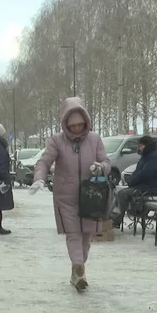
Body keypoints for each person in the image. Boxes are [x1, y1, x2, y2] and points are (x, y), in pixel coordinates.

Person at [30, 97, 111, 291]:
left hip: (91, 196)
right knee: (73, 234)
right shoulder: (57, 141)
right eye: (72, 125)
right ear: (65, 123)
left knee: (86, 236)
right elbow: (44, 161)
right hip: (65, 197)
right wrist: (39, 178)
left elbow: (107, 163)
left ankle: (77, 269)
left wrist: (100, 167)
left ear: (86, 122)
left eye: (80, 124)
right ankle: (80, 270)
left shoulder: (95, 139)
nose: (76, 128)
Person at [111, 136, 157, 229]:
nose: (139, 148)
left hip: (151, 188)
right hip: (143, 186)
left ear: (147, 146)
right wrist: (131, 180)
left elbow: (145, 174)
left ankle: (116, 221)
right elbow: (138, 172)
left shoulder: (154, 158)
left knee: (123, 194)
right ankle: (112, 216)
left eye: (140, 146)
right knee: (117, 191)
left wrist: (132, 181)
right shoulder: (146, 157)